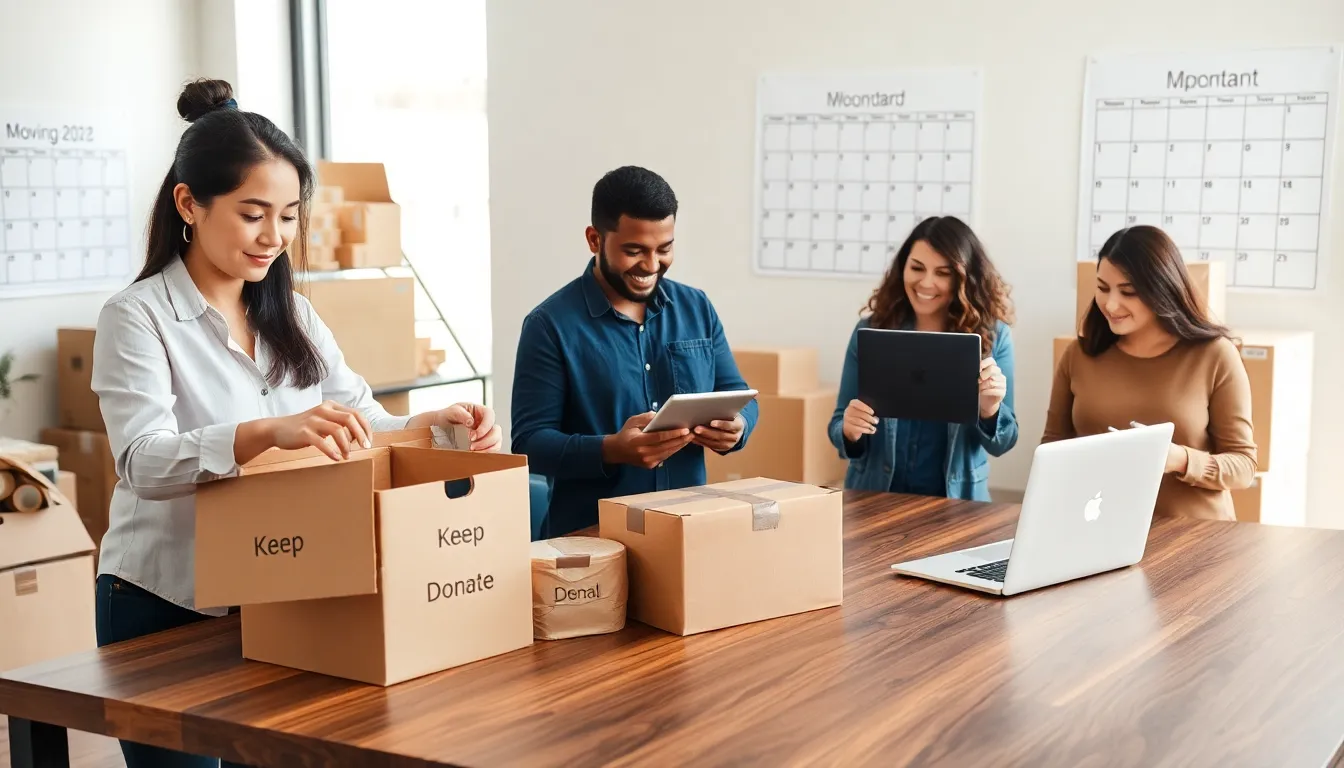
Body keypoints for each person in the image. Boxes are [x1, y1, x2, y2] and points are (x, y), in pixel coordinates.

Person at [89, 79, 501, 768]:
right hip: (163, 598)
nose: (274, 238)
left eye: (287, 217)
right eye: (253, 214)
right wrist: (261, 435)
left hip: (278, 593)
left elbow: (360, 419)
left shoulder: (295, 317)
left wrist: (429, 424)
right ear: (189, 203)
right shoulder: (136, 318)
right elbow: (142, 463)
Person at [511, 166, 758, 536]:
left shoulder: (697, 308)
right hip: (592, 540)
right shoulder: (549, 326)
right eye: (634, 250)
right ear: (595, 240)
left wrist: (737, 429)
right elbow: (529, 444)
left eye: (665, 248)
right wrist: (611, 449)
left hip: (688, 530)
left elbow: (741, 395)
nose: (652, 265)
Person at [1044, 225, 1255, 519]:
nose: (1111, 304)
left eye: (1128, 292)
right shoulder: (1079, 355)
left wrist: (1179, 459)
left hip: (1194, 539)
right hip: (1099, 531)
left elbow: (1243, 467)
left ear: (1161, 291)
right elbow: (1051, 449)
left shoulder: (1215, 355)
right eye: (1103, 288)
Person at [829, 216, 1018, 499]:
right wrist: (849, 430)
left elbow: (1004, 442)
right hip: (875, 498)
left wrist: (990, 410)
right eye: (916, 268)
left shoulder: (993, 335)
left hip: (958, 505)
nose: (926, 283)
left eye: (943, 273)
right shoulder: (871, 329)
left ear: (964, 278)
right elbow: (839, 426)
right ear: (901, 268)